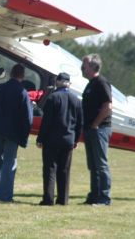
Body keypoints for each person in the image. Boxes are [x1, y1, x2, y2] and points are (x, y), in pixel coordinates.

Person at [0, 64, 33, 202]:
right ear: (22, 76)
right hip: (13, 133)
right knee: (9, 163)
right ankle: (5, 195)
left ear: (11, 73)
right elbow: (28, 118)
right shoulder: (22, 92)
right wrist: (24, 136)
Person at [36, 72, 83, 206]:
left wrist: (40, 138)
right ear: (69, 83)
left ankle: (48, 198)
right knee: (64, 170)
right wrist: (76, 140)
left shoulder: (53, 98)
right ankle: (63, 199)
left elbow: (46, 121)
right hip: (68, 139)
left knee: (50, 168)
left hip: (52, 139)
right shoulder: (77, 100)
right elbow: (80, 123)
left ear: (58, 82)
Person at [81, 54, 113, 206]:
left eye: (85, 64)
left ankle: (104, 197)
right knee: (92, 165)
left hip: (99, 129)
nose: (82, 67)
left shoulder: (101, 82)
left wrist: (95, 124)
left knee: (101, 164)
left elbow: (108, 106)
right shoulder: (90, 84)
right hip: (90, 129)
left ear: (94, 67)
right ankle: (94, 195)